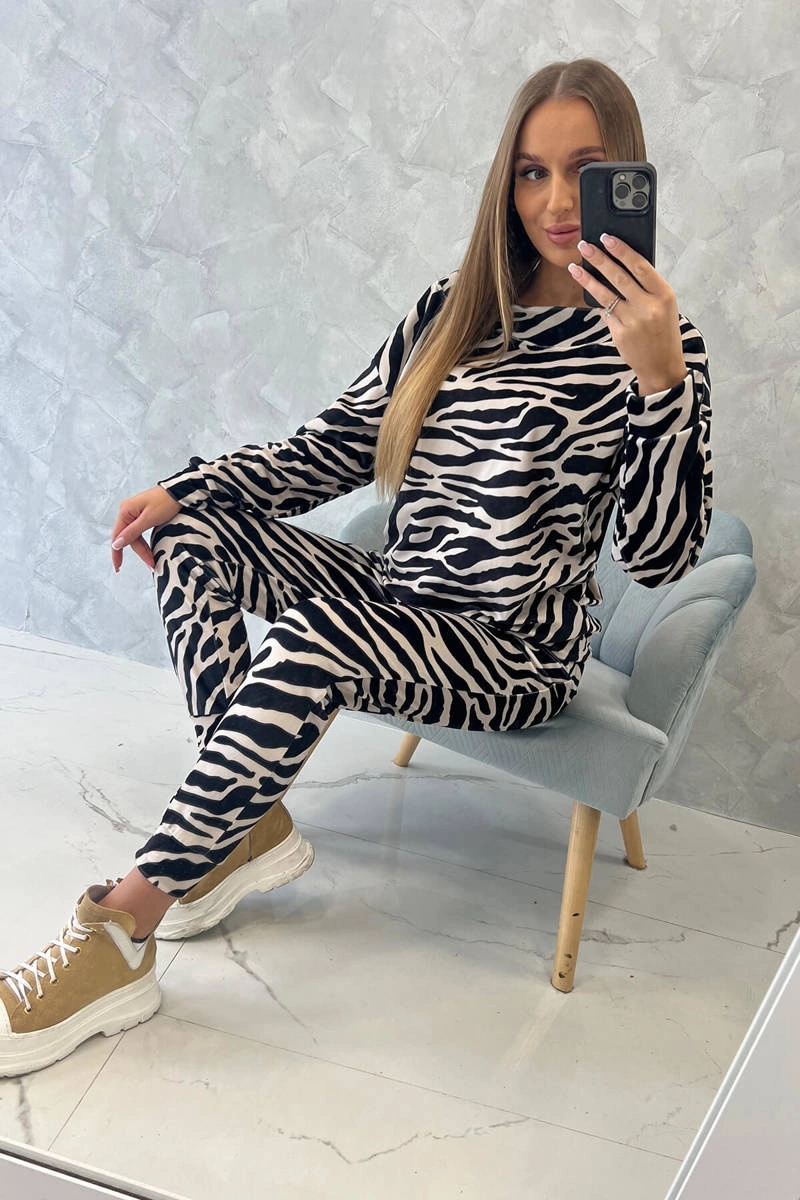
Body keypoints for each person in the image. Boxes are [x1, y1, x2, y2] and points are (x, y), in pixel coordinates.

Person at [0, 57, 711, 1077]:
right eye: (530, 172)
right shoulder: (454, 310)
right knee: (197, 538)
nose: (556, 201)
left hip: (512, 650)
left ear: (625, 178)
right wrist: (191, 487)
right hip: (397, 592)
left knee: (313, 640)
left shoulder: (657, 342)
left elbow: (659, 553)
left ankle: (123, 927)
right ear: (505, 184)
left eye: (583, 170)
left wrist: (659, 383)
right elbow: (333, 447)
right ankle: (241, 832)